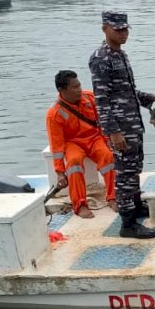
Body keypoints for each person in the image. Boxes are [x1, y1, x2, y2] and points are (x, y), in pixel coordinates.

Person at [88, 11, 155, 239]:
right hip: (121, 128)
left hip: (133, 124)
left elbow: (128, 92)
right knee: (125, 175)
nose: (123, 33)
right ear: (104, 29)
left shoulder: (121, 56)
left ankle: (135, 207)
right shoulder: (101, 59)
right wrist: (113, 132)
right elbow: (102, 99)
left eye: (126, 29)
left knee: (135, 169)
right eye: (118, 30)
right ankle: (127, 224)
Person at [45, 70, 117, 219]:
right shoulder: (54, 114)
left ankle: (113, 197)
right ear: (62, 90)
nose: (79, 90)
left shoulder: (90, 98)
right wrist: (59, 172)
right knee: (74, 163)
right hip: (73, 143)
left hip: (94, 137)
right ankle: (80, 204)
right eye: (74, 87)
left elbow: (103, 121)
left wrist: (108, 138)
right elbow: (56, 145)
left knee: (107, 157)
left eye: (79, 85)